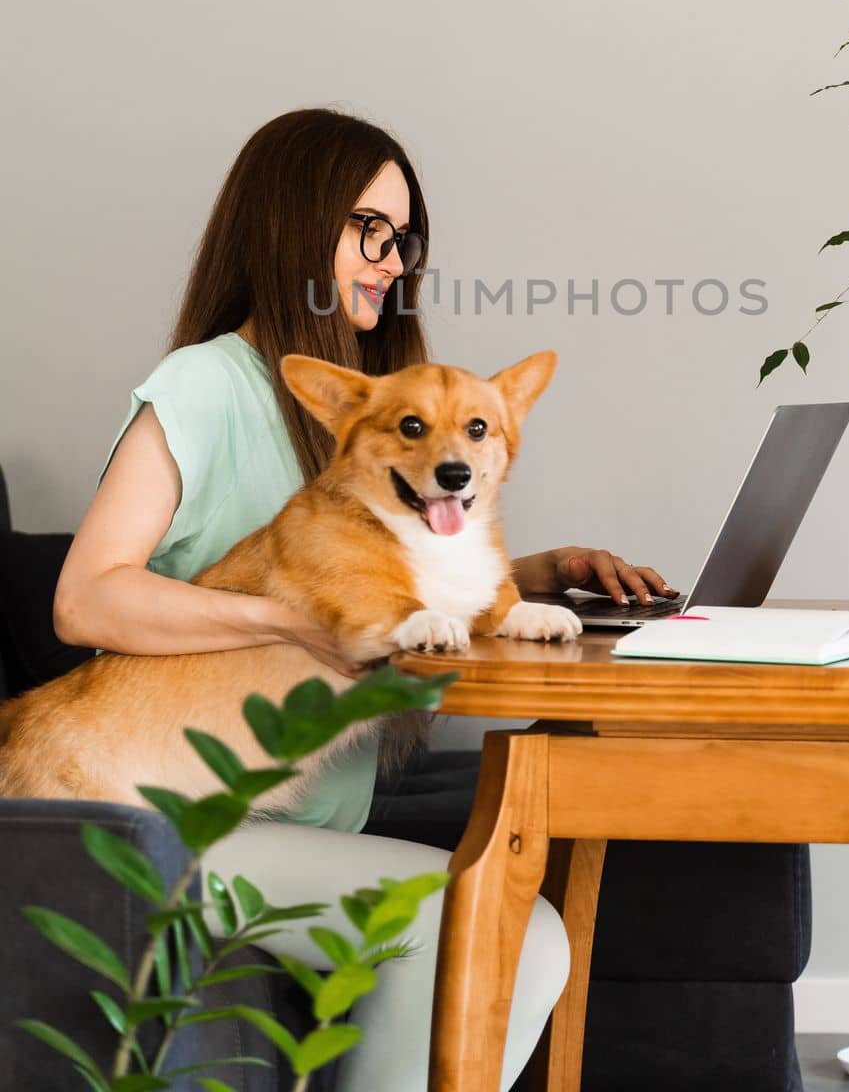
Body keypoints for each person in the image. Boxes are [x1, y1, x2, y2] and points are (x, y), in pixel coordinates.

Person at [53, 106, 679, 1092]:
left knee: (526, 933)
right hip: (182, 830)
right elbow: (86, 600)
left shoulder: (368, 406)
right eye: (366, 232)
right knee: (494, 930)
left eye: (401, 239)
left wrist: (537, 572)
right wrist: (291, 620)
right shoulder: (204, 385)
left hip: (296, 823)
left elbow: (359, 573)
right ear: (289, 228)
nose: (390, 261)